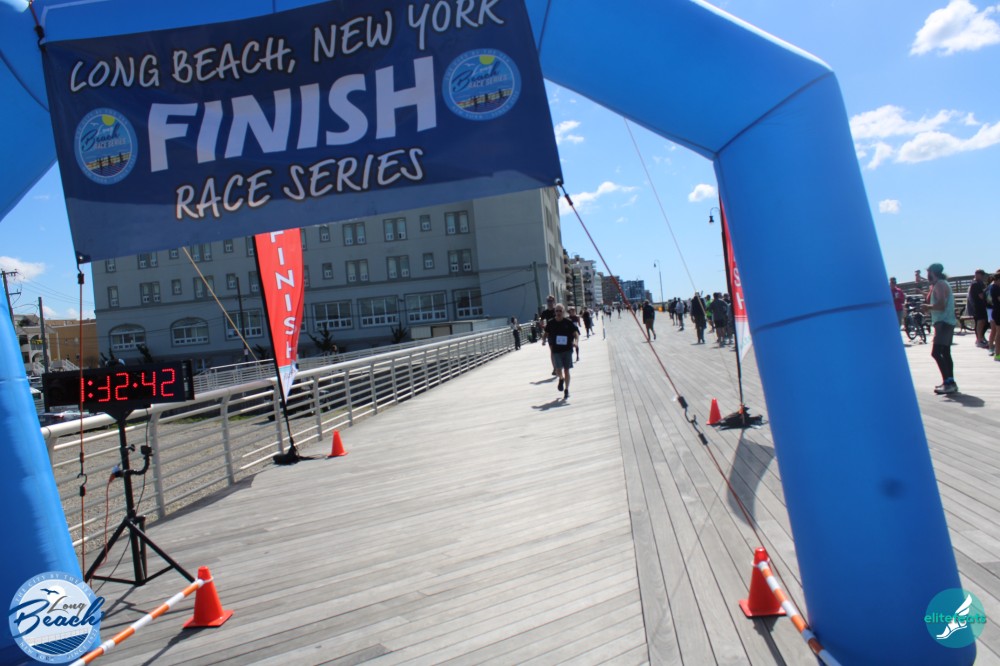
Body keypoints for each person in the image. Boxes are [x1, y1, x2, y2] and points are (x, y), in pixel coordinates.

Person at [926, 263, 958, 394]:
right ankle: (950, 382)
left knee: (936, 353)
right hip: (947, 322)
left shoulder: (939, 284)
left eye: (928, 272)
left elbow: (941, 305)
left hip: (943, 322)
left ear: (932, 272)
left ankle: (948, 383)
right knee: (945, 353)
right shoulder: (942, 283)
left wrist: (927, 307)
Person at [545, 303, 579, 400]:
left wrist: (576, 342)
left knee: (566, 370)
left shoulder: (568, 322)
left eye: (560, 311)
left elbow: (575, 333)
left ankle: (566, 390)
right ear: (555, 312)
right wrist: (543, 340)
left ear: (563, 312)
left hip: (567, 349)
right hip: (556, 350)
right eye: (557, 311)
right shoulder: (551, 322)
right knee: (558, 370)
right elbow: (546, 332)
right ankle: (561, 378)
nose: (558, 313)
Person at [969, 269, 990, 348]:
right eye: (981, 275)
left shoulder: (980, 283)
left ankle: (981, 338)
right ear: (977, 274)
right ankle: (979, 340)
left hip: (981, 306)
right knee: (980, 322)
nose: (982, 277)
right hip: (978, 306)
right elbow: (981, 296)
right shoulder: (975, 284)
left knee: (984, 322)